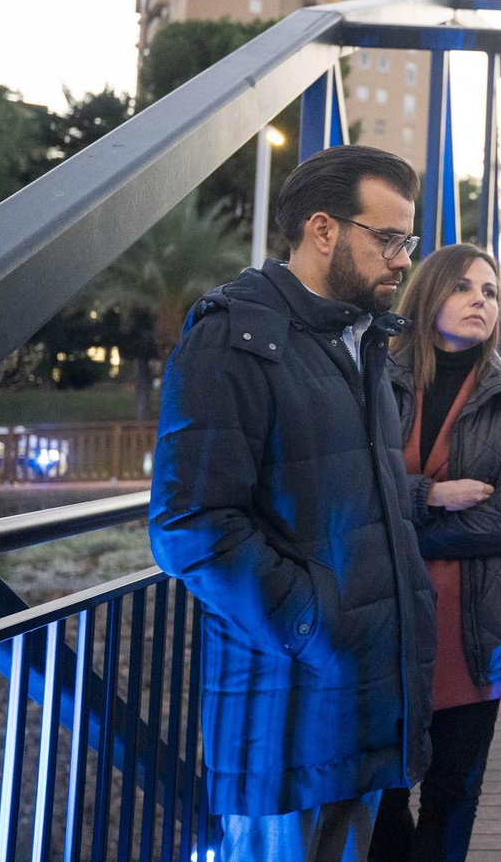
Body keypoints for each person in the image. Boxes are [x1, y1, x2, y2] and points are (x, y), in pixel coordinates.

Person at [148, 145, 437, 862]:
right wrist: (317, 624)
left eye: (410, 240)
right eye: (390, 238)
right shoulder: (234, 338)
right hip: (288, 708)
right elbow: (189, 525)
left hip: (354, 699)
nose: (404, 259)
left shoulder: (357, 342)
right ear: (323, 230)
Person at [370, 243, 501, 862]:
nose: (481, 300)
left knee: (454, 789)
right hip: (380, 618)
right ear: (427, 296)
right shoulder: (371, 377)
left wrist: (393, 531)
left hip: (473, 622)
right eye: (464, 288)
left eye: (492, 292)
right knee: (382, 790)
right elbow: (348, 492)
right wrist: (433, 494)